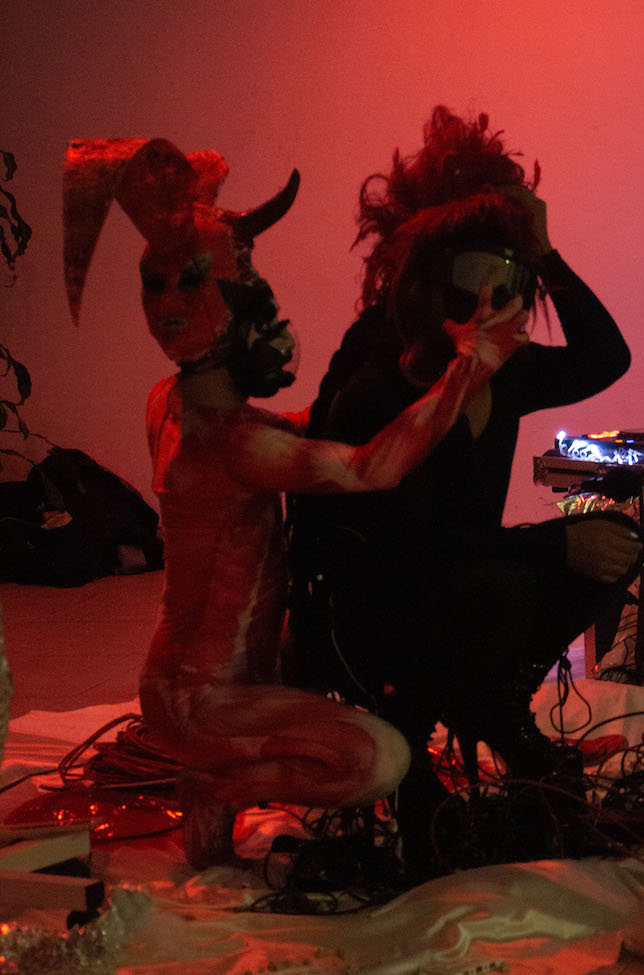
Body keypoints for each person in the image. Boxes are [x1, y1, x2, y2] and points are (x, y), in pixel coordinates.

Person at [63, 135, 526, 868]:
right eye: (159, 284)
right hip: (201, 696)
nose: (170, 304)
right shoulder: (235, 445)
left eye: (190, 280)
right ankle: (217, 789)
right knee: (378, 759)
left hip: (205, 678)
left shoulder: (173, 404)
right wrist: (469, 368)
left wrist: (370, 362)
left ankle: (218, 807)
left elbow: (294, 432)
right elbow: (371, 468)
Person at [290, 107, 643, 865]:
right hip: (369, 615)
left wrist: (546, 251)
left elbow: (606, 358)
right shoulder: (383, 374)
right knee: (507, 586)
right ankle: (406, 745)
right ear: (427, 277)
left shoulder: (503, 370)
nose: (489, 298)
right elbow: (410, 544)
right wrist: (547, 546)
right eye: (469, 276)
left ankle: (494, 704)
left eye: (508, 279)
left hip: (456, 585)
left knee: (613, 541)